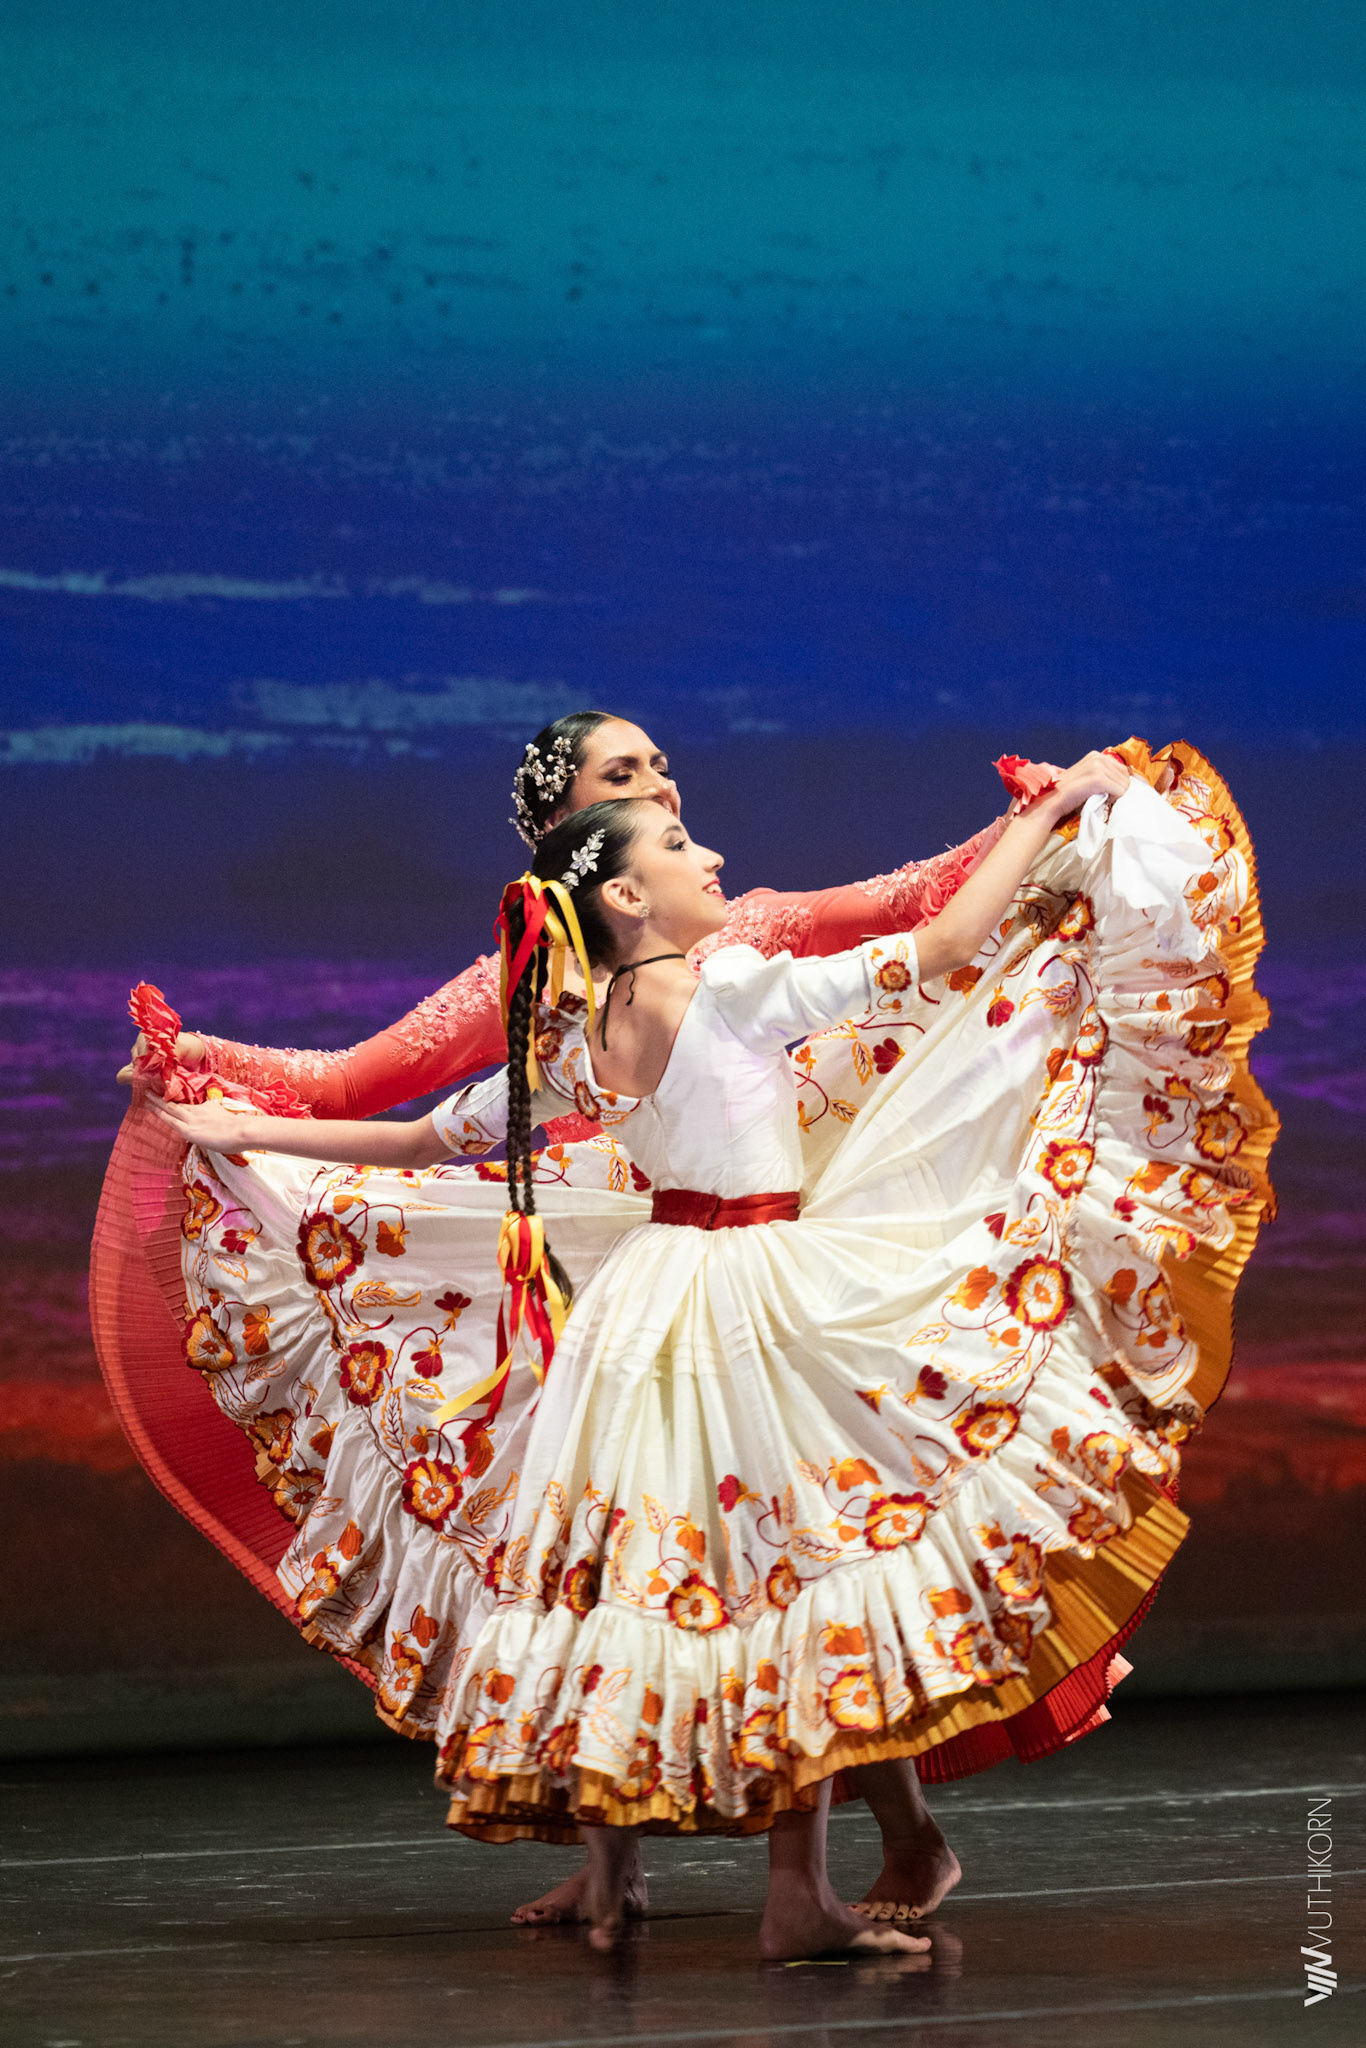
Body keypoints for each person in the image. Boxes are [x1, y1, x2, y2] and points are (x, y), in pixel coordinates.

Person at [153, 742, 1277, 1956]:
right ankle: (791, 1890)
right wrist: (1057, 806)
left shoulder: (574, 1036)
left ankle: (740, 1878)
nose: (714, 855)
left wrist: (243, 1128)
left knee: (674, 1570)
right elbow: (947, 943)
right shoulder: (729, 988)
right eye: (682, 847)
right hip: (757, 1293)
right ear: (628, 894)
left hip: (647, 1303)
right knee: (786, 1567)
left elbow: (424, 1137)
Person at [97, 709, 1012, 1928]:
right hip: (605, 1259)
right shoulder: (551, 986)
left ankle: (867, 1845)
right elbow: (375, 1089)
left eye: (661, 770)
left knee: (751, 1538)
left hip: (691, 1252)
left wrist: (1026, 827)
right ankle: (649, 1864)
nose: (665, 793)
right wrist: (215, 1083)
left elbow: (907, 903)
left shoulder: (726, 939)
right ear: (572, 831)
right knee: (691, 1546)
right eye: (625, 777)